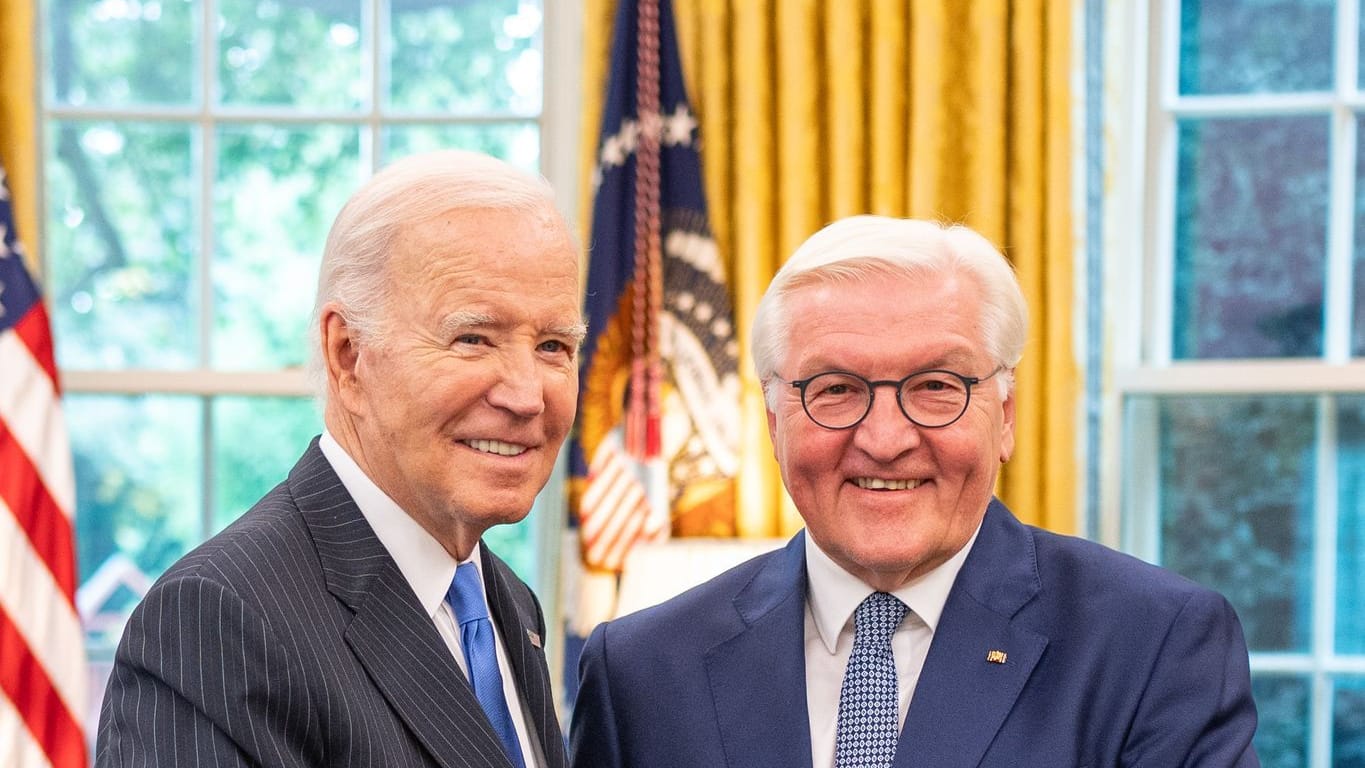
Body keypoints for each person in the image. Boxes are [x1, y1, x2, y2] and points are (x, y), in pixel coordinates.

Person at [569, 215, 1260, 767]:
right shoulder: (642, 672)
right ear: (774, 416)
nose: (885, 439)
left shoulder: (1153, 645)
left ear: (1006, 417)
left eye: (936, 387)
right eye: (836, 389)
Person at [96, 149, 584, 768]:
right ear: (348, 354)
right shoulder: (218, 620)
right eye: (473, 338)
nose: (525, 395)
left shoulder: (505, 603)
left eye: (553, 345)